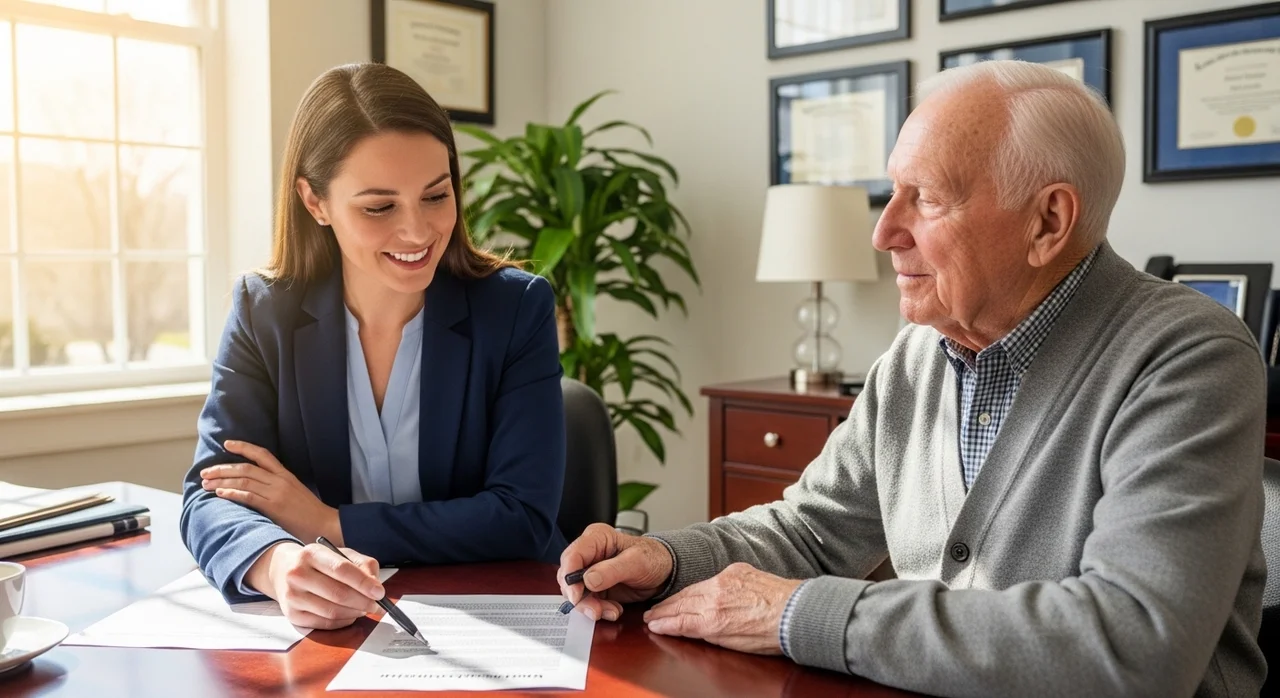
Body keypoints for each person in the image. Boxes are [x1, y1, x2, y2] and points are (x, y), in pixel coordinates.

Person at [558, 60, 1268, 697]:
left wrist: (797, 615)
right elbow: (812, 532)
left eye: (925, 198)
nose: (883, 231)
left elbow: (1134, 646)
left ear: (1048, 221)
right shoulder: (916, 355)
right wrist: (669, 558)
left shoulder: (1188, 356)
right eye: (891, 193)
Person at [181, 62, 567, 629]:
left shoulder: (515, 309)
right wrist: (279, 562)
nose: (418, 231)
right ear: (315, 202)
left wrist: (330, 523)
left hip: (502, 615)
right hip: (342, 628)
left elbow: (521, 517)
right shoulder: (264, 311)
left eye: (436, 195)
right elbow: (211, 495)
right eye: (379, 207)